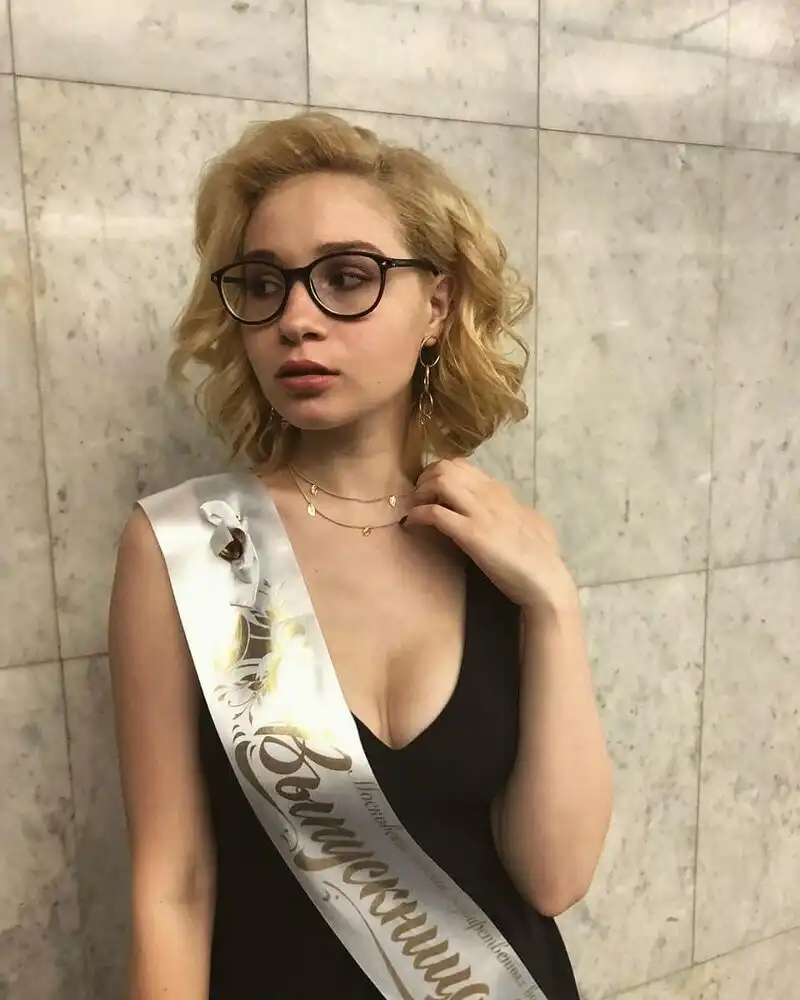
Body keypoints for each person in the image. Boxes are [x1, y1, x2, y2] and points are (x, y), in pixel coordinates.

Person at [108, 111, 613, 1000]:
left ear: (438, 307)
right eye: (264, 284)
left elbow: (553, 879)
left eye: (348, 277)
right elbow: (173, 887)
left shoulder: (500, 547)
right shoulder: (188, 549)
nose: (296, 319)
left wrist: (553, 605)